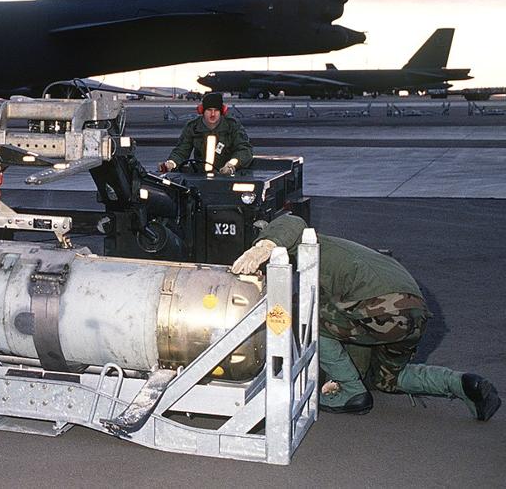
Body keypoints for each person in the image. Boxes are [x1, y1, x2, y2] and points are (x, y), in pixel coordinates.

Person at [231, 214, 500, 420]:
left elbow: (291, 221)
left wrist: (262, 247)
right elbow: (349, 330)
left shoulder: (308, 245)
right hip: (413, 312)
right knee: (389, 379)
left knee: (307, 319)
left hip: (382, 306)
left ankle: (352, 394)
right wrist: (347, 376)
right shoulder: (339, 258)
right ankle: (464, 384)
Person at [158, 92, 252, 175]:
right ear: (202, 110)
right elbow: (181, 151)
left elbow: (244, 150)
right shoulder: (193, 127)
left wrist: (231, 165)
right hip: (199, 176)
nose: (213, 114)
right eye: (209, 110)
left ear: (222, 111)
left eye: (216, 110)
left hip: (226, 176)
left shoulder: (232, 126)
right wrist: (171, 163)